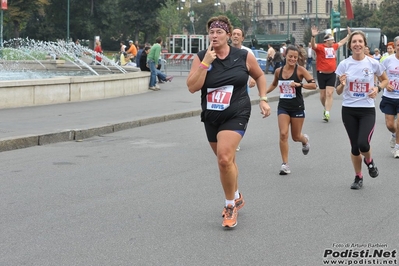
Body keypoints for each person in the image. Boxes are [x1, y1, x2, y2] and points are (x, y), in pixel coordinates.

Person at [186, 15, 271, 228]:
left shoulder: (242, 56)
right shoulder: (201, 57)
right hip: (212, 116)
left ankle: (230, 205)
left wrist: (263, 99)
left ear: (227, 34)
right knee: (228, 161)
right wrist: (206, 63)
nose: (214, 36)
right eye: (211, 32)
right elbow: (192, 86)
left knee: (224, 158)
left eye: (219, 32)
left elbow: (260, 76)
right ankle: (236, 193)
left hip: (237, 113)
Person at [335, 30, 389, 190]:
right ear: (350, 46)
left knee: (363, 144)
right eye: (354, 42)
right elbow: (337, 91)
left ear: (365, 44)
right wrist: (342, 84)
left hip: (366, 110)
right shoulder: (344, 64)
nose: (357, 44)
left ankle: (369, 161)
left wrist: (377, 89)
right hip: (349, 110)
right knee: (354, 147)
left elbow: (385, 80)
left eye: (360, 41)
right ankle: (358, 177)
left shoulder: (373, 63)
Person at [266, 45, 317, 175]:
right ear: (285, 56)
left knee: (296, 137)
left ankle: (304, 140)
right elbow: (274, 84)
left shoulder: (300, 70)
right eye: (290, 56)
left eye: (295, 57)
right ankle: (285, 164)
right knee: (283, 134)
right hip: (283, 107)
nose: (293, 59)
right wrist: (263, 94)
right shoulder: (278, 71)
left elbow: (314, 85)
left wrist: (300, 84)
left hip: (297, 107)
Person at [311, 26, 351, 122]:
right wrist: (313, 37)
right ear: (326, 41)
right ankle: (325, 108)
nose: (333, 42)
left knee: (329, 93)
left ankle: (327, 112)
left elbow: (341, 42)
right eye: (331, 40)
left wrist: (349, 36)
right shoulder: (320, 47)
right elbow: (313, 46)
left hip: (331, 73)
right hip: (321, 73)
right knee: (323, 95)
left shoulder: (333, 47)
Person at [230, 27, 256, 152]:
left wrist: (253, 78)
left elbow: (254, 69)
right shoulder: (225, 50)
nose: (235, 36)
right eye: (233, 34)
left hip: (242, 88)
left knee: (238, 114)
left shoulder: (247, 52)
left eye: (238, 34)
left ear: (242, 38)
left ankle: (236, 140)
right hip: (226, 88)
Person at [380, 36, 399, 158]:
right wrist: (385, 85)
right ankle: (394, 134)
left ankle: (397, 147)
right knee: (390, 125)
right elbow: (379, 73)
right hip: (389, 97)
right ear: (396, 47)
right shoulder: (388, 60)